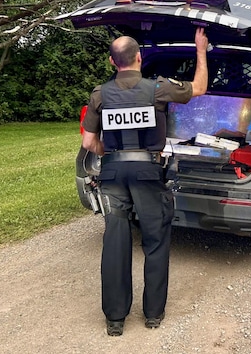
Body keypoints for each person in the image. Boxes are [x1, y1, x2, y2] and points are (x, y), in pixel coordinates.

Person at [81, 27, 209, 336]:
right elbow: (200, 88)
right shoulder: (159, 89)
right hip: (148, 173)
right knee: (155, 239)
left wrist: (106, 152)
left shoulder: (100, 94)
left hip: (112, 174)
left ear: (113, 63)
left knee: (115, 241)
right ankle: (153, 314)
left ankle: (115, 319)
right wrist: (200, 50)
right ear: (140, 57)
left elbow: (88, 142)